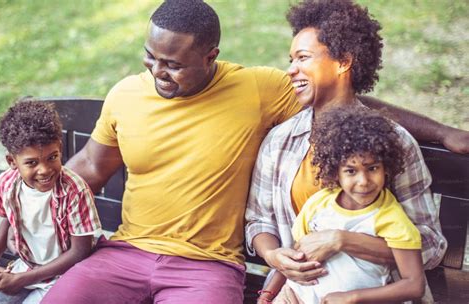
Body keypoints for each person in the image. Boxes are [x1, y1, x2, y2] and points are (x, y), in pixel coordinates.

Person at [41, 1, 467, 303]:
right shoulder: (130, 93)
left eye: (172, 63)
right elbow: (91, 166)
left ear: (211, 57)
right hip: (136, 254)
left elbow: (342, 100)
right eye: (151, 57)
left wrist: (444, 133)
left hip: (219, 269)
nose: (157, 72)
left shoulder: (259, 91)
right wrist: (24, 207)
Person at [245, 0, 447, 302]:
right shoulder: (281, 140)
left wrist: (343, 241)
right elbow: (258, 220)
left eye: (303, 57)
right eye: (291, 59)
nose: (290, 70)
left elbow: (430, 245)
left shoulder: (392, 143)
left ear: (343, 61)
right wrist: (274, 255)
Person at [273, 108, 425, 303]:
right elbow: (298, 254)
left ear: (386, 168)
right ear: (336, 173)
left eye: (372, 168)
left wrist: (353, 297)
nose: (363, 181)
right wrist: (271, 292)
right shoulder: (318, 204)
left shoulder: (391, 219)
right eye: (351, 171)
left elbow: (414, 285)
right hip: (295, 297)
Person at [0, 100, 101, 303]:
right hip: (27, 266)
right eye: (32, 162)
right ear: (12, 162)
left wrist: (20, 280)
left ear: (60, 148)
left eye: (52, 157)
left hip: (67, 274)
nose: (44, 170)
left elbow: (80, 251)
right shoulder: (7, 184)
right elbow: (6, 224)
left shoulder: (74, 190)